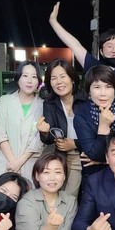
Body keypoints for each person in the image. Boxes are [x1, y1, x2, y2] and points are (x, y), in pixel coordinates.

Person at [73, 66, 115, 181]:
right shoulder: (81, 116)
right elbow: (94, 154)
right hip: (96, 177)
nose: (103, 93)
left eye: (108, 87)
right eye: (97, 87)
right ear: (89, 91)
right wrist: (103, 127)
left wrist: (102, 161)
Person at [37, 59, 87, 197]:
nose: (58, 82)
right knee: (65, 197)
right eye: (53, 78)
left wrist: (75, 143)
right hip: (63, 157)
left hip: (87, 155)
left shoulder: (86, 100)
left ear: (72, 78)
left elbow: (97, 132)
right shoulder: (50, 104)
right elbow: (48, 139)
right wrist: (44, 132)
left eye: (63, 76)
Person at [0, 60, 44, 183]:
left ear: (39, 81)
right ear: (18, 78)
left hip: (29, 166)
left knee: (27, 200)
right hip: (5, 164)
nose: (29, 80)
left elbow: (39, 139)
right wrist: (13, 163)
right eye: (25, 75)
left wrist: (19, 162)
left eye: (34, 76)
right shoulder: (4, 102)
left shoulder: (43, 106)